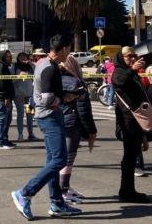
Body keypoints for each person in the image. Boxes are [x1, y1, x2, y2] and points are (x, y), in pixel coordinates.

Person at [12, 34, 81, 219]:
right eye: (70, 49)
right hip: (50, 116)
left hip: (47, 116)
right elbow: (46, 99)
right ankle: (25, 192)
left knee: (53, 161)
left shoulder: (43, 63)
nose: (70, 54)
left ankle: (57, 203)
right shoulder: (50, 69)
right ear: (64, 49)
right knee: (59, 160)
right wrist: (66, 97)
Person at [112, 46, 152, 203]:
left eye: (134, 56)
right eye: (129, 56)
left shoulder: (131, 73)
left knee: (132, 155)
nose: (133, 58)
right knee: (129, 157)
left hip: (137, 119)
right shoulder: (119, 71)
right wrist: (132, 70)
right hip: (127, 119)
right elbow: (119, 82)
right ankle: (126, 192)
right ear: (122, 57)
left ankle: (128, 190)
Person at [59, 55, 97, 204]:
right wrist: (91, 131)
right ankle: (63, 190)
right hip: (71, 123)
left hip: (58, 122)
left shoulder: (57, 80)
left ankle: (64, 188)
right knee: (68, 159)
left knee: (61, 158)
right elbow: (84, 111)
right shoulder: (76, 82)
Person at [0, 50, 16, 149]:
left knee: (7, 119)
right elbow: (1, 84)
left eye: (10, 56)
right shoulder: (0, 67)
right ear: (3, 57)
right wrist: (6, 97)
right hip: (1, 98)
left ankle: (5, 139)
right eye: (8, 56)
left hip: (6, 97)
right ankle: (1, 142)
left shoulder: (4, 66)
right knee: (2, 119)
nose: (10, 58)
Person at [13, 52, 37, 141]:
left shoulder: (30, 67)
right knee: (20, 114)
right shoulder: (15, 66)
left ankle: (31, 134)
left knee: (30, 114)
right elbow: (10, 80)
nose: (23, 58)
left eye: (25, 56)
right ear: (18, 58)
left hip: (29, 95)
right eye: (21, 57)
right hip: (19, 95)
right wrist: (18, 76)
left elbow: (37, 74)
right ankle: (20, 134)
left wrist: (32, 64)